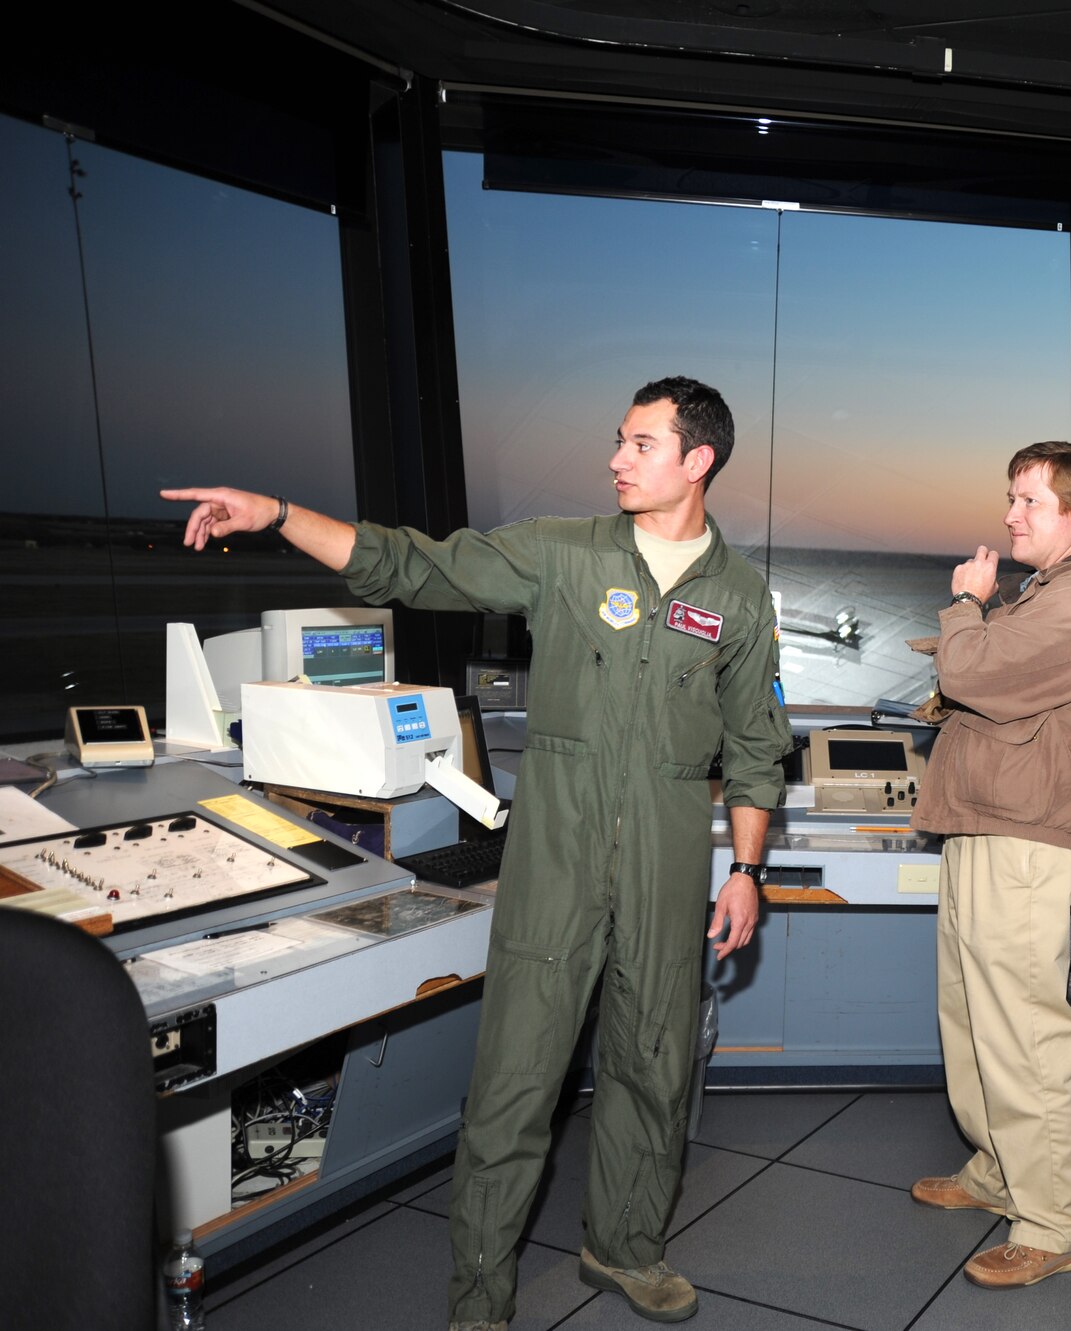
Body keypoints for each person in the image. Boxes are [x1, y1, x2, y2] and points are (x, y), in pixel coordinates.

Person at [164, 375, 790, 1331]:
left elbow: (753, 750)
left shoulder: (740, 596)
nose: (616, 459)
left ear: (697, 460)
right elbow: (414, 566)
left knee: (654, 1068)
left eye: (640, 445)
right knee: (515, 1084)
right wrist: (280, 513)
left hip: (670, 860)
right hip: (556, 862)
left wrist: (746, 870)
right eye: (617, 440)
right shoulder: (565, 554)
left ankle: (624, 1249)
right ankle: (480, 1302)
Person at [907, 441, 1071, 1289]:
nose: (1010, 517)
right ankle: (998, 1171)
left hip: (1029, 842)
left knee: (1025, 1038)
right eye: (1010, 498)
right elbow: (985, 685)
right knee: (970, 1021)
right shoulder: (1048, 595)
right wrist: (977, 632)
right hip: (986, 825)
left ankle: (1052, 1222)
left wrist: (965, 607)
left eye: (1029, 502)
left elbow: (980, 675)